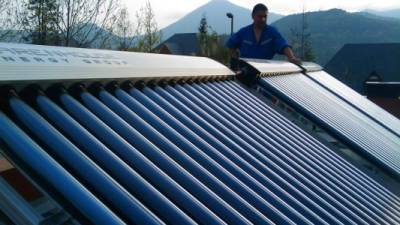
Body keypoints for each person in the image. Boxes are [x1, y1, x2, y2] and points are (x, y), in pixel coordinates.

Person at [226, 3, 300, 70]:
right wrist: (234, 61)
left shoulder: (272, 32)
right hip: (245, 72)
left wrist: (291, 58)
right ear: (253, 16)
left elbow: (283, 45)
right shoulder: (244, 32)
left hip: (264, 72)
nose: (263, 19)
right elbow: (231, 44)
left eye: (265, 16)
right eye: (260, 16)